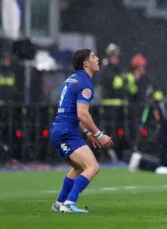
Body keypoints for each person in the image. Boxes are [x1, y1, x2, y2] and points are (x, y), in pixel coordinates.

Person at [50, 49, 113, 213]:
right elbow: (82, 114)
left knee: (79, 167)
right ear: (86, 63)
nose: (97, 59)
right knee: (92, 167)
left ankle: (60, 203)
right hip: (66, 132)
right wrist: (99, 135)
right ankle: (70, 203)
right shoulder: (85, 83)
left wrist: (87, 134)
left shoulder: (72, 80)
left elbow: (72, 112)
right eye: (93, 57)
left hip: (60, 129)